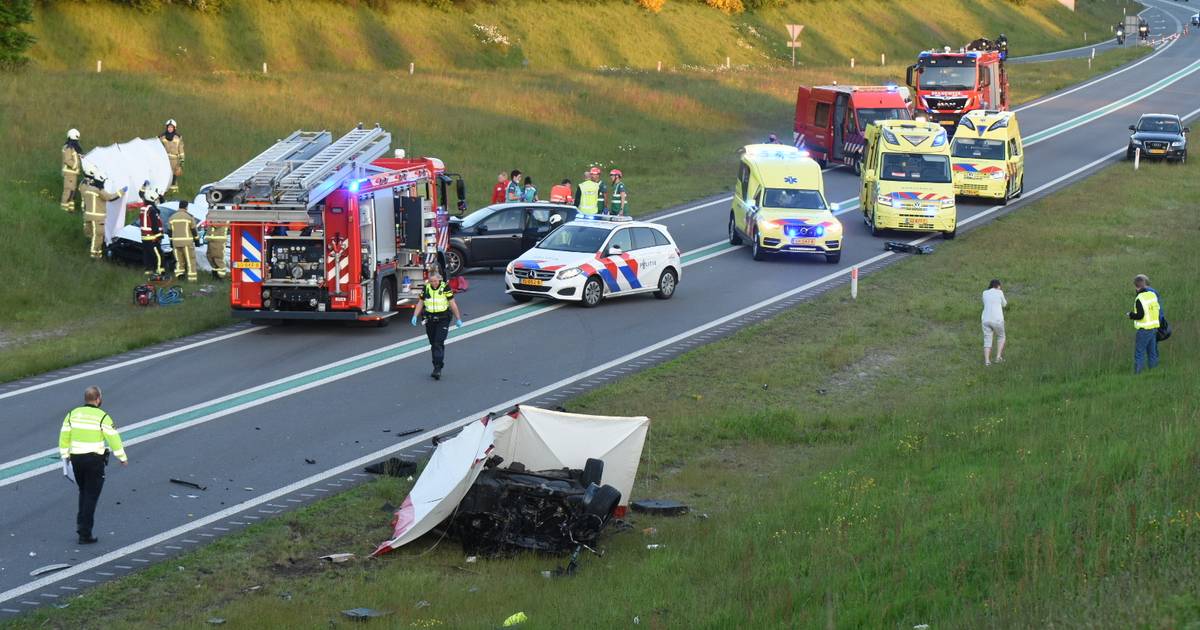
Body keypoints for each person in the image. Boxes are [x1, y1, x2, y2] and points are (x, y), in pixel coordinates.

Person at [59, 386, 128, 544]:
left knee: (83, 491)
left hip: (76, 459)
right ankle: (85, 533)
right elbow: (113, 438)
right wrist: (122, 457)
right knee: (91, 495)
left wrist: (65, 456)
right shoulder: (103, 417)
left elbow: (64, 436)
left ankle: (81, 524)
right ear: (97, 399)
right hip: (94, 460)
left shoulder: (72, 414)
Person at [411, 270, 464, 380]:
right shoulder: (426, 288)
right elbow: (421, 302)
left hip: (443, 319)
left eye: (436, 281)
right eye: (432, 281)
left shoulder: (445, 288)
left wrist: (458, 318)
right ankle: (437, 364)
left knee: (438, 342)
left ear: (439, 280)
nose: (434, 283)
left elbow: (452, 303)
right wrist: (415, 315)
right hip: (429, 319)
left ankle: (437, 368)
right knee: (433, 343)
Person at [79, 166, 125, 260]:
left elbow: (82, 190)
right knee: (98, 235)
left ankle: (92, 251)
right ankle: (94, 256)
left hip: (87, 216)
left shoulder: (87, 188)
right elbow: (110, 198)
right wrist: (121, 192)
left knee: (91, 234)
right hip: (98, 218)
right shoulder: (99, 191)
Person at [1127, 274, 1161, 374]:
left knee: (1139, 353)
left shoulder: (1139, 299)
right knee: (1152, 353)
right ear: (1145, 285)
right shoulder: (1152, 295)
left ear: (1136, 287)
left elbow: (1140, 315)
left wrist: (1130, 315)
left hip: (1144, 329)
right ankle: (1154, 372)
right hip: (1154, 329)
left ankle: (1138, 374)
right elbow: (1157, 309)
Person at [169, 200, 200, 282]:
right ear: (186, 207)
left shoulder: (172, 217)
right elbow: (193, 230)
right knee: (190, 261)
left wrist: (171, 242)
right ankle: (192, 279)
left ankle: (180, 277)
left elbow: (169, 231)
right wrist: (197, 241)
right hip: (187, 243)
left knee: (179, 261)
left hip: (176, 243)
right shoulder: (189, 217)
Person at [981, 278, 1007, 366]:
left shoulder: (984, 293)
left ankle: (987, 361)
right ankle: (998, 357)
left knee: (987, 340)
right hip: (997, 319)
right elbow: (1004, 304)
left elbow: (985, 303)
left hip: (985, 319)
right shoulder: (1000, 292)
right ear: (998, 285)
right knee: (1001, 336)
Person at [140, 188, 166, 277]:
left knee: (147, 255)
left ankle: (148, 271)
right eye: (155, 200)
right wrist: (159, 235)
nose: (156, 202)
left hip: (145, 237)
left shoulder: (144, 208)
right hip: (152, 237)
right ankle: (160, 272)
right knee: (158, 255)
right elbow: (154, 225)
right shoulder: (152, 210)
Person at [159, 119, 185, 193]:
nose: (170, 129)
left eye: (171, 127)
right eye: (168, 127)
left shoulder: (178, 137)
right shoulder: (162, 137)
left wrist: (182, 160)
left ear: (174, 128)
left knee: (174, 175)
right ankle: (164, 190)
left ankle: (174, 191)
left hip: (175, 160)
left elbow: (181, 149)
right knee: (165, 174)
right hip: (165, 159)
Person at [61, 129, 83, 212]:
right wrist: (76, 165)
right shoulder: (68, 148)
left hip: (73, 174)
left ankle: (70, 210)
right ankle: (64, 210)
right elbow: (67, 160)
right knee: (68, 191)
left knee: (72, 192)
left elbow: (74, 157)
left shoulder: (73, 148)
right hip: (69, 173)